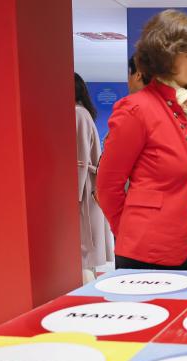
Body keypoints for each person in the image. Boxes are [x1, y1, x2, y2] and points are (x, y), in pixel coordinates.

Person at [97, 9, 187, 271]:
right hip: (147, 249)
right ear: (167, 55)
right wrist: (131, 231)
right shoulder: (136, 109)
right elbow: (107, 187)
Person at [74, 72, 114, 282]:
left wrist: (74, 196)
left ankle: (85, 297)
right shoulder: (84, 113)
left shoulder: (78, 113)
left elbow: (80, 159)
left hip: (83, 192)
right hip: (87, 189)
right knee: (85, 253)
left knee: (84, 252)